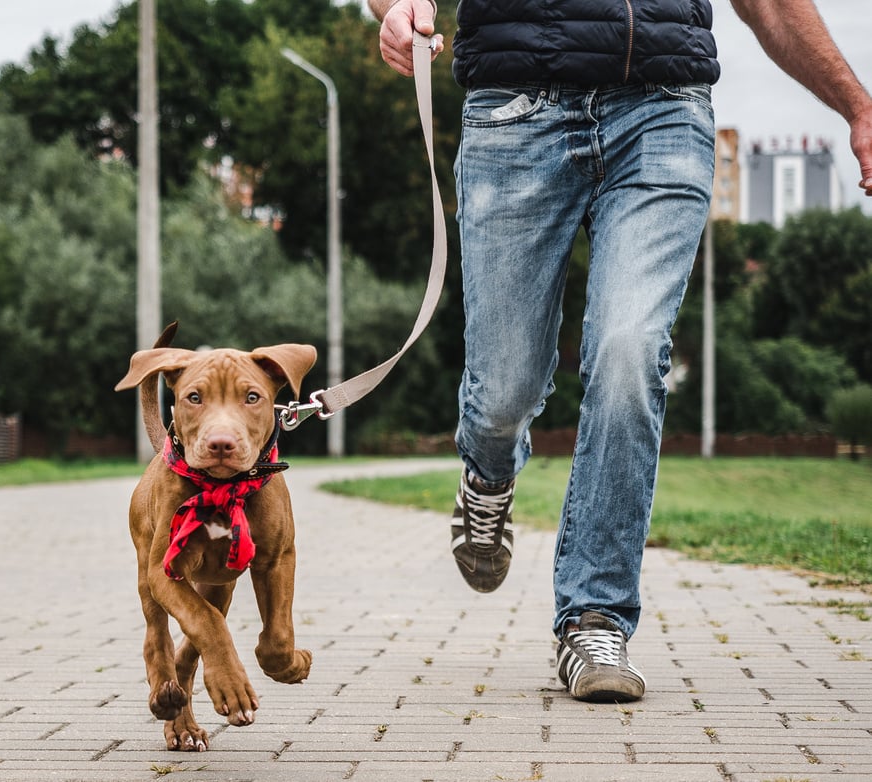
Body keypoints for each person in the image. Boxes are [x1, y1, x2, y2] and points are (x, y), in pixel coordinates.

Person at [369, 0, 872, 703]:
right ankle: (486, 478)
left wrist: (857, 104)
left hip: (663, 113)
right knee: (505, 390)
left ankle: (595, 615)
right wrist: (393, 8)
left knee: (630, 351)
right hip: (515, 109)